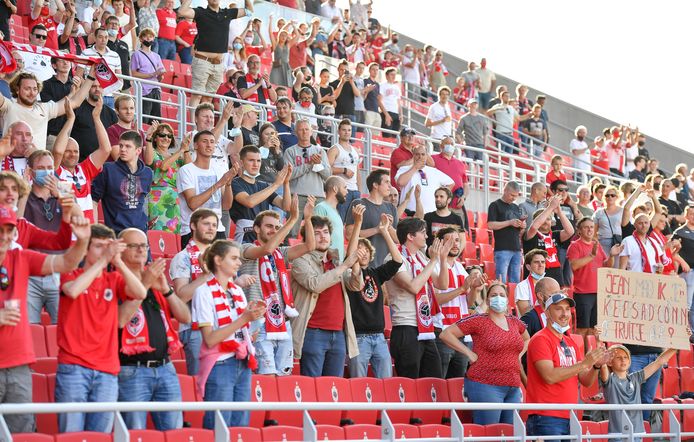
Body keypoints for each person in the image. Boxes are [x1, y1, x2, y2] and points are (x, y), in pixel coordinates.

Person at [0, 205, 90, 434]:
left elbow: (65, 263)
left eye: (8, 230)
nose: (4, 235)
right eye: (0, 229)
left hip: (18, 362)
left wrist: (81, 243)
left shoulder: (20, 257)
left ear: (14, 233)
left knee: (21, 431)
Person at [56, 223, 147, 433]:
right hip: (74, 367)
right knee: (71, 436)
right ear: (86, 249)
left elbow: (140, 292)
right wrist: (104, 260)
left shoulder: (113, 278)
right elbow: (72, 291)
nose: (104, 251)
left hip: (107, 369)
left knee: (101, 436)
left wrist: (118, 262)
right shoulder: (71, 273)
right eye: (98, 246)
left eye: (107, 246)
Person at [117, 228, 189, 431]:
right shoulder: (114, 280)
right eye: (134, 246)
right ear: (121, 249)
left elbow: (185, 317)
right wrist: (145, 283)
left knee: (174, 432)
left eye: (144, 245)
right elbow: (120, 320)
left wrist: (166, 290)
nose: (141, 250)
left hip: (165, 367)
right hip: (131, 369)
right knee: (134, 433)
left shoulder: (155, 279)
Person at [192, 240, 266, 429]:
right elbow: (210, 339)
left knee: (240, 427)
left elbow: (240, 328)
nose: (239, 263)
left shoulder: (238, 291)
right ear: (218, 260)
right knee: (219, 427)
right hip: (220, 363)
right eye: (234, 258)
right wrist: (244, 319)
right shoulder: (203, 292)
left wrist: (251, 328)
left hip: (242, 360)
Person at [239, 199, 315, 376]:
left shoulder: (281, 253)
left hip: (281, 322)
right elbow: (266, 249)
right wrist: (292, 220)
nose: (274, 230)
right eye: (269, 226)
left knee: (284, 376)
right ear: (257, 229)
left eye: (276, 227)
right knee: (266, 376)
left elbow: (310, 246)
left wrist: (308, 219)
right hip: (258, 322)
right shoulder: (246, 249)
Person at [440, 280, 528, 424]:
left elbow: (527, 339)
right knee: (489, 432)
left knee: (511, 434)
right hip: (486, 384)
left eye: (501, 295)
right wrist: (469, 353)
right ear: (487, 300)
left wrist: (518, 355)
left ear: (507, 299)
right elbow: (446, 334)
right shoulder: (478, 320)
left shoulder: (514, 321)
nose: (498, 298)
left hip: (513, 386)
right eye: (494, 295)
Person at [290, 215, 365, 377]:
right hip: (312, 333)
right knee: (313, 390)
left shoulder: (335, 262)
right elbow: (316, 285)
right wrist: (346, 264)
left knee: (333, 391)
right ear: (308, 238)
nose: (323, 236)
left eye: (325, 232)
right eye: (317, 233)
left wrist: (356, 263)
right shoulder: (299, 261)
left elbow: (356, 285)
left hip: (338, 334)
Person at [526, 293, 607, 440]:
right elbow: (549, 376)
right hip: (546, 417)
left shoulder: (571, 343)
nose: (564, 314)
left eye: (567, 309)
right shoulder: (540, 339)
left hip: (570, 416)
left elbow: (586, 381)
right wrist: (584, 363)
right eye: (558, 309)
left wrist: (595, 366)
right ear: (547, 313)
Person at [384, 218, 453, 379]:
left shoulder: (421, 258)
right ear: (410, 236)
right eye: (423, 233)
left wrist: (442, 259)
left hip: (425, 328)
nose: (427, 236)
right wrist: (433, 260)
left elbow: (442, 284)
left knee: (433, 381)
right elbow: (414, 287)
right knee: (410, 381)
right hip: (405, 327)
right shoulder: (393, 259)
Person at [346, 205, 401, 378]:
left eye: (366, 250)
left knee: (386, 385)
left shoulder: (376, 273)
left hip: (379, 337)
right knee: (358, 385)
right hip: (359, 337)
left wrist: (385, 231)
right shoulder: (349, 274)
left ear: (371, 255)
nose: (362, 253)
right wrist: (357, 224)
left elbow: (397, 260)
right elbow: (351, 260)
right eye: (358, 250)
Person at [177, 0, 252, 114]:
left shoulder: (227, 13)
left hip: (218, 64)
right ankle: (193, 128)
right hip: (202, 61)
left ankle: (203, 129)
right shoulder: (201, 12)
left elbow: (249, 11)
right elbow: (182, 11)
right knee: (197, 96)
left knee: (209, 99)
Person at [169, 209, 218, 376]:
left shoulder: (222, 257)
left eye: (214, 225)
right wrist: (207, 275)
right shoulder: (182, 257)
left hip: (222, 326)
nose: (211, 228)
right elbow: (181, 296)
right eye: (206, 224)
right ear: (192, 226)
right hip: (196, 327)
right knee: (202, 385)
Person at [434, 227, 485, 379]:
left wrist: (475, 289)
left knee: (458, 384)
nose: (455, 244)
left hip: (461, 333)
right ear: (440, 243)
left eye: (457, 240)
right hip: (441, 331)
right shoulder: (434, 265)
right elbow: (435, 300)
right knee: (440, 382)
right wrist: (461, 289)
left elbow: (467, 303)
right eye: (449, 240)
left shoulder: (460, 268)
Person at [0, 71, 93, 151]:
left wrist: (91, 76)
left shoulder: (45, 109)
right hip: (10, 166)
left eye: (35, 89)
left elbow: (75, 102)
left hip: (36, 166)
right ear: (17, 90)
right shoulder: (9, 106)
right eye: (27, 89)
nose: (32, 93)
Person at [53, 97, 111, 224]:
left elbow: (106, 149)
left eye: (76, 151)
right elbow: (57, 151)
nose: (72, 155)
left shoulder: (84, 169)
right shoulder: (56, 170)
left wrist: (96, 117)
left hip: (87, 230)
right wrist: (70, 119)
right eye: (68, 151)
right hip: (66, 229)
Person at [599, 345, 676, 439]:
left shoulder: (636, 378)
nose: (623, 360)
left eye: (625, 357)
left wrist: (678, 344)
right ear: (610, 362)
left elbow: (659, 362)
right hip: (618, 434)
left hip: (637, 433)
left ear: (629, 361)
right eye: (618, 358)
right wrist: (599, 344)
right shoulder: (609, 380)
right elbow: (602, 366)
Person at [567, 217, 622, 346]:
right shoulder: (575, 245)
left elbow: (606, 265)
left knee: (593, 329)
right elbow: (574, 265)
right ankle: (580, 357)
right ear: (579, 231)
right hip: (582, 293)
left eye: (591, 227)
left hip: (598, 293)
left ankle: (590, 358)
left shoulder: (596, 245)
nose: (589, 229)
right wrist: (591, 256)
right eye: (586, 227)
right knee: (582, 329)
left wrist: (612, 256)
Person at [177, 131, 236, 248]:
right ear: (195, 145)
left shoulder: (218, 169)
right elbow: (193, 204)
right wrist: (219, 184)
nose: (209, 145)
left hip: (217, 229)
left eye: (212, 142)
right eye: (204, 141)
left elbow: (226, 206)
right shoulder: (186, 170)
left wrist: (228, 184)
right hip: (193, 229)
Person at [91, 131, 153, 235]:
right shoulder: (107, 169)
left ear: (138, 150)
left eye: (128, 146)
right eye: (121, 145)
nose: (123, 149)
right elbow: (93, 201)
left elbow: (143, 201)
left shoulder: (147, 173)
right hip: (116, 234)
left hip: (140, 233)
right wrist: (94, 229)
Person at [230, 145, 291, 243]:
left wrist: (286, 183)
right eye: (251, 160)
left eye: (258, 161)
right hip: (245, 238)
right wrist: (275, 185)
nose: (255, 164)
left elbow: (286, 206)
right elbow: (249, 202)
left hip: (263, 237)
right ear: (241, 163)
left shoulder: (264, 185)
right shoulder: (235, 182)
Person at [283, 119, 331, 238]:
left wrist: (318, 165)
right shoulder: (290, 151)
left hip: (317, 197)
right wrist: (309, 164)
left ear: (311, 131)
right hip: (296, 196)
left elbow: (328, 175)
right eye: (301, 129)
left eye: (306, 129)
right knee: (291, 232)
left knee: (319, 232)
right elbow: (289, 174)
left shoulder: (320, 151)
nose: (304, 132)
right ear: (295, 132)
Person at [345, 169, 399, 268]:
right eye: (386, 182)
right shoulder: (359, 203)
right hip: (363, 266)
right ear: (375, 185)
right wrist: (377, 229)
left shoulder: (391, 208)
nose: (390, 186)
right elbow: (349, 234)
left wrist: (388, 227)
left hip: (385, 268)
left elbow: (397, 239)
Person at [522, 196, 575, 286]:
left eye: (549, 219)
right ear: (537, 220)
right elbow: (534, 226)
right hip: (536, 278)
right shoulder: (531, 234)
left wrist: (559, 212)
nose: (546, 222)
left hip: (556, 277)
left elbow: (570, 231)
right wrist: (550, 207)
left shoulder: (555, 235)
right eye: (544, 219)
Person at [395, 145, 454, 215]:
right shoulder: (404, 169)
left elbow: (451, 183)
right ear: (413, 155)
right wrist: (415, 167)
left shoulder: (433, 171)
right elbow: (400, 182)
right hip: (409, 213)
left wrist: (441, 196)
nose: (420, 157)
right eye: (417, 154)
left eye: (423, 154)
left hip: (431, 213)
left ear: (426, 156)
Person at [77, 27, 123, 109]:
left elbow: (120, 77)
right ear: (95, 38)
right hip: (91, 96)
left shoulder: (115, 55)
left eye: (106, 37)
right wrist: (87, 90)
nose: (103, 40)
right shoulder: (85, 53)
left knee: (109, 121)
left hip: (109, 97)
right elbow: (78, 75)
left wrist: (116, 92)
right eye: (100, 37)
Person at [488, 181, 525, 283]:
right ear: (505, 190)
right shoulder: (495, 205)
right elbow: (490, 225)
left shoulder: (515, 207)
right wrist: (509, 222)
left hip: (516, 248)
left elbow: (517, 229)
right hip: (502, 248)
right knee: (501, 281)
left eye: (516, 196)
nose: (513, 198)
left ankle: (513, 299)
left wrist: (522, 226)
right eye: (512, 195)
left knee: (515, 282)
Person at [328, 119, 363, 220]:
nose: (347, 132)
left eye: (349, 130)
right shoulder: (334, 149)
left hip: (355, 191)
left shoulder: (355, 150)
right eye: (344, 130)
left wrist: (360, 191)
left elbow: (358, 172)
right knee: (339, 220)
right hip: (341, 191)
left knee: (354, 224)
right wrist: (343, 170)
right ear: (339, 131)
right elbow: (326, 170)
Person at [130, 27, 165, 123]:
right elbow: (134, 73)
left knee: (156, 120)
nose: (148, 38)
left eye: (151, 36)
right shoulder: (136, 54)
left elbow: (159, 77)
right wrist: (152, 74)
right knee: (144, 120)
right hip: (144, 91)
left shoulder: (157, 56)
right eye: (146, 36)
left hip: (156, 89)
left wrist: (160, 75)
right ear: (141, 39)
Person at [433, 136, 470, 223]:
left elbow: (465, 184)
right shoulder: (433, 159)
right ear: (441, 146)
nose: (449, 145)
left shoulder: (460, 164)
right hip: (440, 206)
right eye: (447, 143)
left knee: (459, 233)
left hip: (456, 206)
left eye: (452, 144)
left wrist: (464, 197)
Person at [314, 176, 348, 261]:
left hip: (337, 264)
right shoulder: (321, 208)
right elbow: (316, 236)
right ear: (335, 189)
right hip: (327, 264)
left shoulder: (336, 211)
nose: (347, 192)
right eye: (344, 187)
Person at [673, 206, 694, 334]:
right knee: (687, 304)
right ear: (686, 216)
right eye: (691, 214)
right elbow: (671, 251)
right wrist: (682, 262)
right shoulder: (679, 232)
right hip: (687, 272)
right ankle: (686, 331)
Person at [515, 250, 548, 316]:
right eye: (536, 262)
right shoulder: (522, 286)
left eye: (543, 262)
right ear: (528, 267)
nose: (540, 265)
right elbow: (525, 313)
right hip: (531, 324)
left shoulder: (550, 284)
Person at [593, 186, 624, 257]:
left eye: (612, 195)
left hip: (618, 243)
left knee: (615, 267)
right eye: (607, 195)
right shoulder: (599, 212)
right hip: (602, 243)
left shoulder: (623, 211)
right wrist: (596, 243)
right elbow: (594, 232)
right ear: (604, 197)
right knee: (603, 266)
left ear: (617, 197)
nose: (610, 197)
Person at [379, 67, 401, 137]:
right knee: (387, 136)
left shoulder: (397, 87)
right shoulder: (382, 85)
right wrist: (386, 114)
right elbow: (379, 100)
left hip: (396, 113)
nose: (394, 76)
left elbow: (399, 102)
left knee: (395, 137)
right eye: (392, 74)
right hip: (387, 111)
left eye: (395, 75)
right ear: (386, 75)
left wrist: (401, 114)